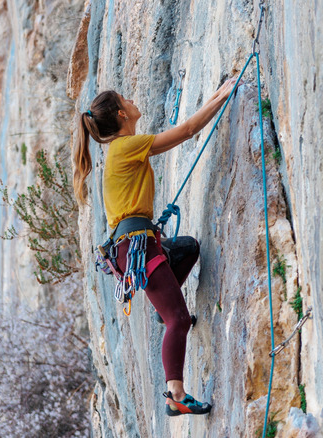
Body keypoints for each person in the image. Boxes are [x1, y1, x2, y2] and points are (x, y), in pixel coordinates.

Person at [73, 77, 239, 416]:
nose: (134, 100)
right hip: (137, 247)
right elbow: (188, 130)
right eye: (127, 99)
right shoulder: (124, 146)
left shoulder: (121, 147)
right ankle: (174, 394)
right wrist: (222, 92)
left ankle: (165, 307)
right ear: (122, 113)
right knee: (179, 320)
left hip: (139, 243)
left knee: (189, 248)